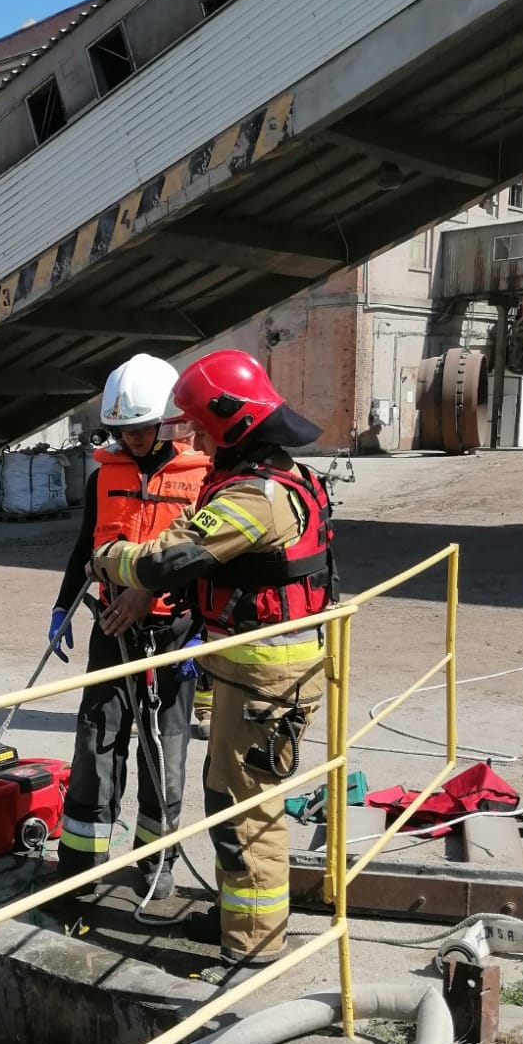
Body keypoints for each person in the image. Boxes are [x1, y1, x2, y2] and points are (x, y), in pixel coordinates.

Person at [92, 350, 336, 971]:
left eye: (201, 427)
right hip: (256, 675)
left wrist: (109, 559)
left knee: (246, 811)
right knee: (229, 796)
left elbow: (167, 559)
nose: (195, 440)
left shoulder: (255, 496)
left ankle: (251, 947)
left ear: (234, 423)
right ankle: (239, 916)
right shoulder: (278, 476)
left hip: (265, 681)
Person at [50, 354, 211, 898]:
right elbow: (84, 549)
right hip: (112, 628)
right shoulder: (104, 477)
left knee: (165, 751)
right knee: (96, 739)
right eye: (124, 430)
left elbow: (210, 562)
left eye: (143, 428)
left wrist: (197, 632)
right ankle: (80, 862)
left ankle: (156, 863)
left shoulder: (202, 479)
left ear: (166, 421)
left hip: (175, 633)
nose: (134, 439)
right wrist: (62, 607)